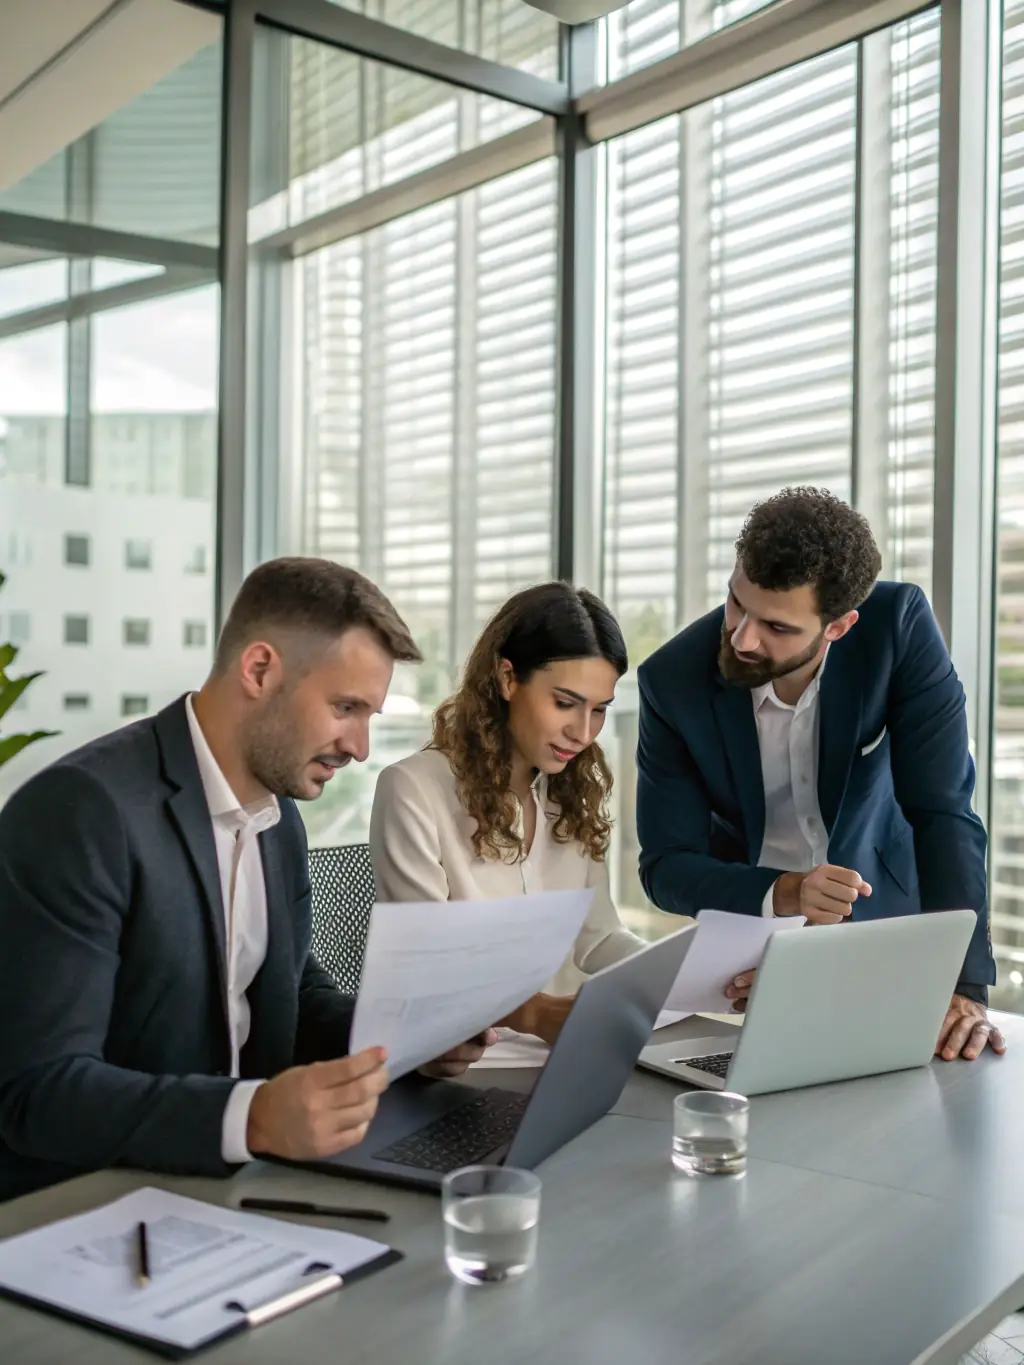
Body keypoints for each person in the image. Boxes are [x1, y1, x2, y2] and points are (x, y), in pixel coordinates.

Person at [0, 558, 491, 1201]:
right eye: (346, 708)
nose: (361, 747)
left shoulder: (278, 813)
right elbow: (39, 1092)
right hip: (87, 1201)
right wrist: (253, 1117)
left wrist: (401, 1039)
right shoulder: (83, 812)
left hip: (236, 1184)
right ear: (259, 670)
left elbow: (291, 993)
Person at [636, 487, 1003, 1063]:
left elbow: (942, 811)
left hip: (887, 931)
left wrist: (962, 985)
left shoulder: (897, 628)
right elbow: (665, 866)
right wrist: (784, 896)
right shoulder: (672, 680)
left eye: (777, 627)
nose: (742, 637)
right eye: (737, 603)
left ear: (839, 626)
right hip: (754, 944)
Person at [369, 582, 642, 1045]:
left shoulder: (572, 792)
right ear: (508, 678)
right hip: (459, 1062)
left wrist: (679, 972)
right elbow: (433, 966)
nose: (582, 732)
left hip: (565, 1055)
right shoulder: (413, 789)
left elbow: (597, 938)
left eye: (600, 710)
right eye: (565, 703)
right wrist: (537, 1015)